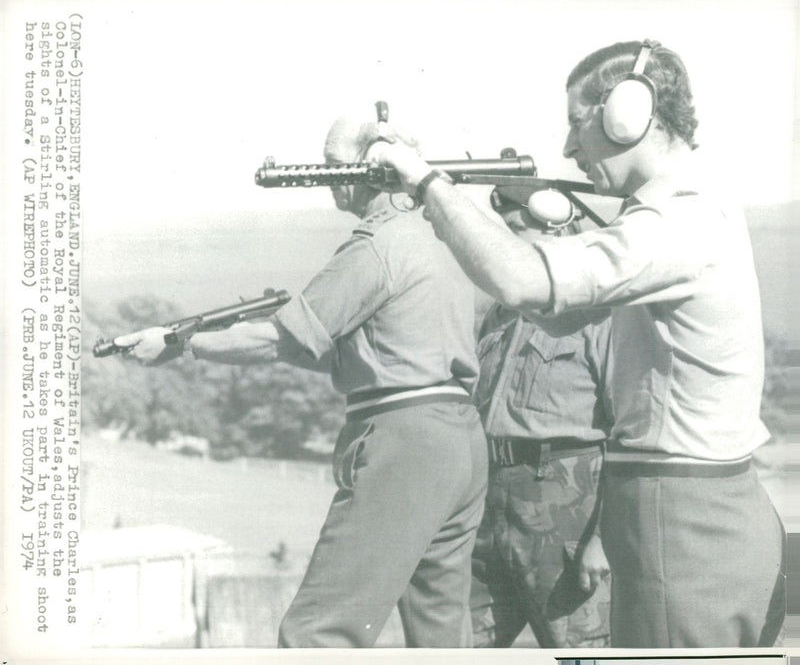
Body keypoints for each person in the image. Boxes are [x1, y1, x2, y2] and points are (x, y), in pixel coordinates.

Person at [370, 40, 785, 647]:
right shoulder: (693, 207)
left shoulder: (675, 220)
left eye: (576, 122)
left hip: (681, 518)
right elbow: (558, 312)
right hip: (700, 511)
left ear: (628, 112)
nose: (569, 147)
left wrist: (429, 184)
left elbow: (522, 280)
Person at [116, 111, 488, 647]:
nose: (327, 178)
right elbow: (357, 353)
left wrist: (179, 343)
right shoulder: (439, 238)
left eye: (336, 166)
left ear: (374, 167)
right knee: (441, 632)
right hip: (457, 439)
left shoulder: (377, 246)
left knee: (317, 634)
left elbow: (284, 339)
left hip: (404, 444)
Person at [469, 187, 612, 648]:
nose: (504, 248)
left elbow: (633, 433)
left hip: (565, 507)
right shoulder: (500, 312)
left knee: (579, 649)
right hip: (489, 502)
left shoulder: (600, 312)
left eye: (514, 232)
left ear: (558, 227)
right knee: (458, 646)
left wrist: (601, 540)